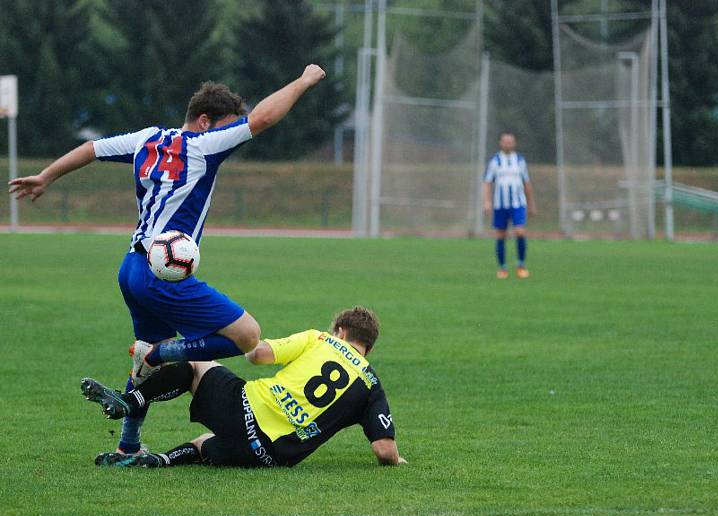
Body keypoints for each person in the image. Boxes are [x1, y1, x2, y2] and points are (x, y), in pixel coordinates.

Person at [9, 65, 327, 454]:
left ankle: (127, 446)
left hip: (131, 269)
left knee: (144, 361)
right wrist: (304, 80)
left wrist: (46, 176)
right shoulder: (204, 145)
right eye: (225, 127)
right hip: (164, 276)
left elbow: (91, 149)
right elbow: (263, 117)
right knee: (247, 337)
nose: (229, 135)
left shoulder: (146, 139)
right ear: (205, 121)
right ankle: (161, 354)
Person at [81, 307, 406, 468]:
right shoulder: (371, 383)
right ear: (369, 348)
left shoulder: (319, 339)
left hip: (245, 412)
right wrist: (399, 463)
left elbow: (257, 355)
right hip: (271, 456)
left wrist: (241, 336)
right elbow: (384, 450)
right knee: (204, 443)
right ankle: (158, 461)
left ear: (340, 330)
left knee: (198, 363)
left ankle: (130, 400)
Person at [483, 132, 537, 279]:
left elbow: (526, 182)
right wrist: (487, 201)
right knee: (501, 235)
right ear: (501, 143)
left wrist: (531, 203)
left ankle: (520, 265)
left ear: (514, 144)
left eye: (510, 142)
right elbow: (487, 182)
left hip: (518, 203)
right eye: (505, 142)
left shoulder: (520, 160)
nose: (508, 144)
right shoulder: (494, 161)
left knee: (520, 231)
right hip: (500, 204)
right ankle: (502, 268)